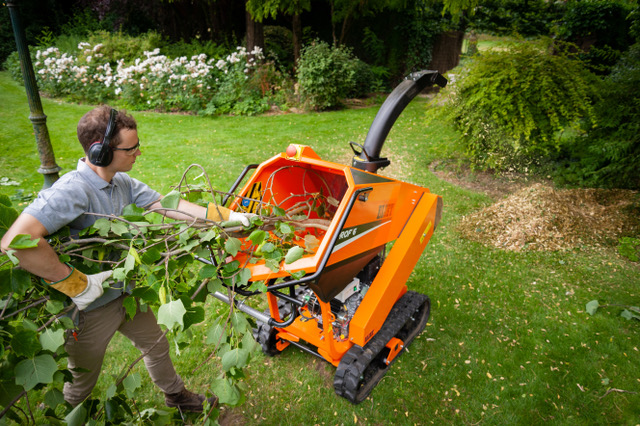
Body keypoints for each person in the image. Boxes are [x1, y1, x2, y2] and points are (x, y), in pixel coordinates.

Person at [0, 106, 253, 412]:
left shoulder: (122, 183)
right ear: (100, 153)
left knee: (157, 344)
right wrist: (76, 284)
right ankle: (64, 416)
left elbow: (168, 205)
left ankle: (176, 397)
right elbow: (15, 242)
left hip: (126, 292)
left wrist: (228, 218)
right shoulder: (71, 191)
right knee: (83, 380)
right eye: (130, 148)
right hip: (90, 308)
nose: (138, 153)